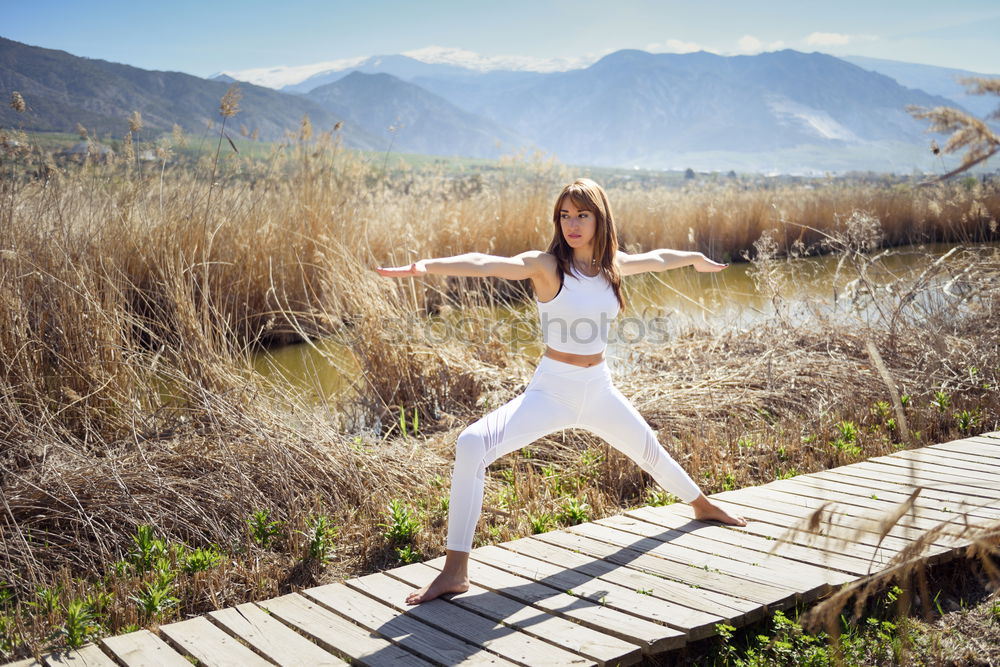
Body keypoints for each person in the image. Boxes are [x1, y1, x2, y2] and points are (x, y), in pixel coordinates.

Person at [376, 178, 747, 605]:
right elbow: (485, 263)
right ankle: (455, 571)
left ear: (598, 218)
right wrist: (424, 267)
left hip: (599, 389)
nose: (572, 224)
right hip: (551, 391)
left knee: (650, 451)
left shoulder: (612, 267)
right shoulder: (548, 266)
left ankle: (702, 505)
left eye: (582, 215)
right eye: (565, 215)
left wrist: (695, 257)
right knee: (472, 443)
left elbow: (661, 258)